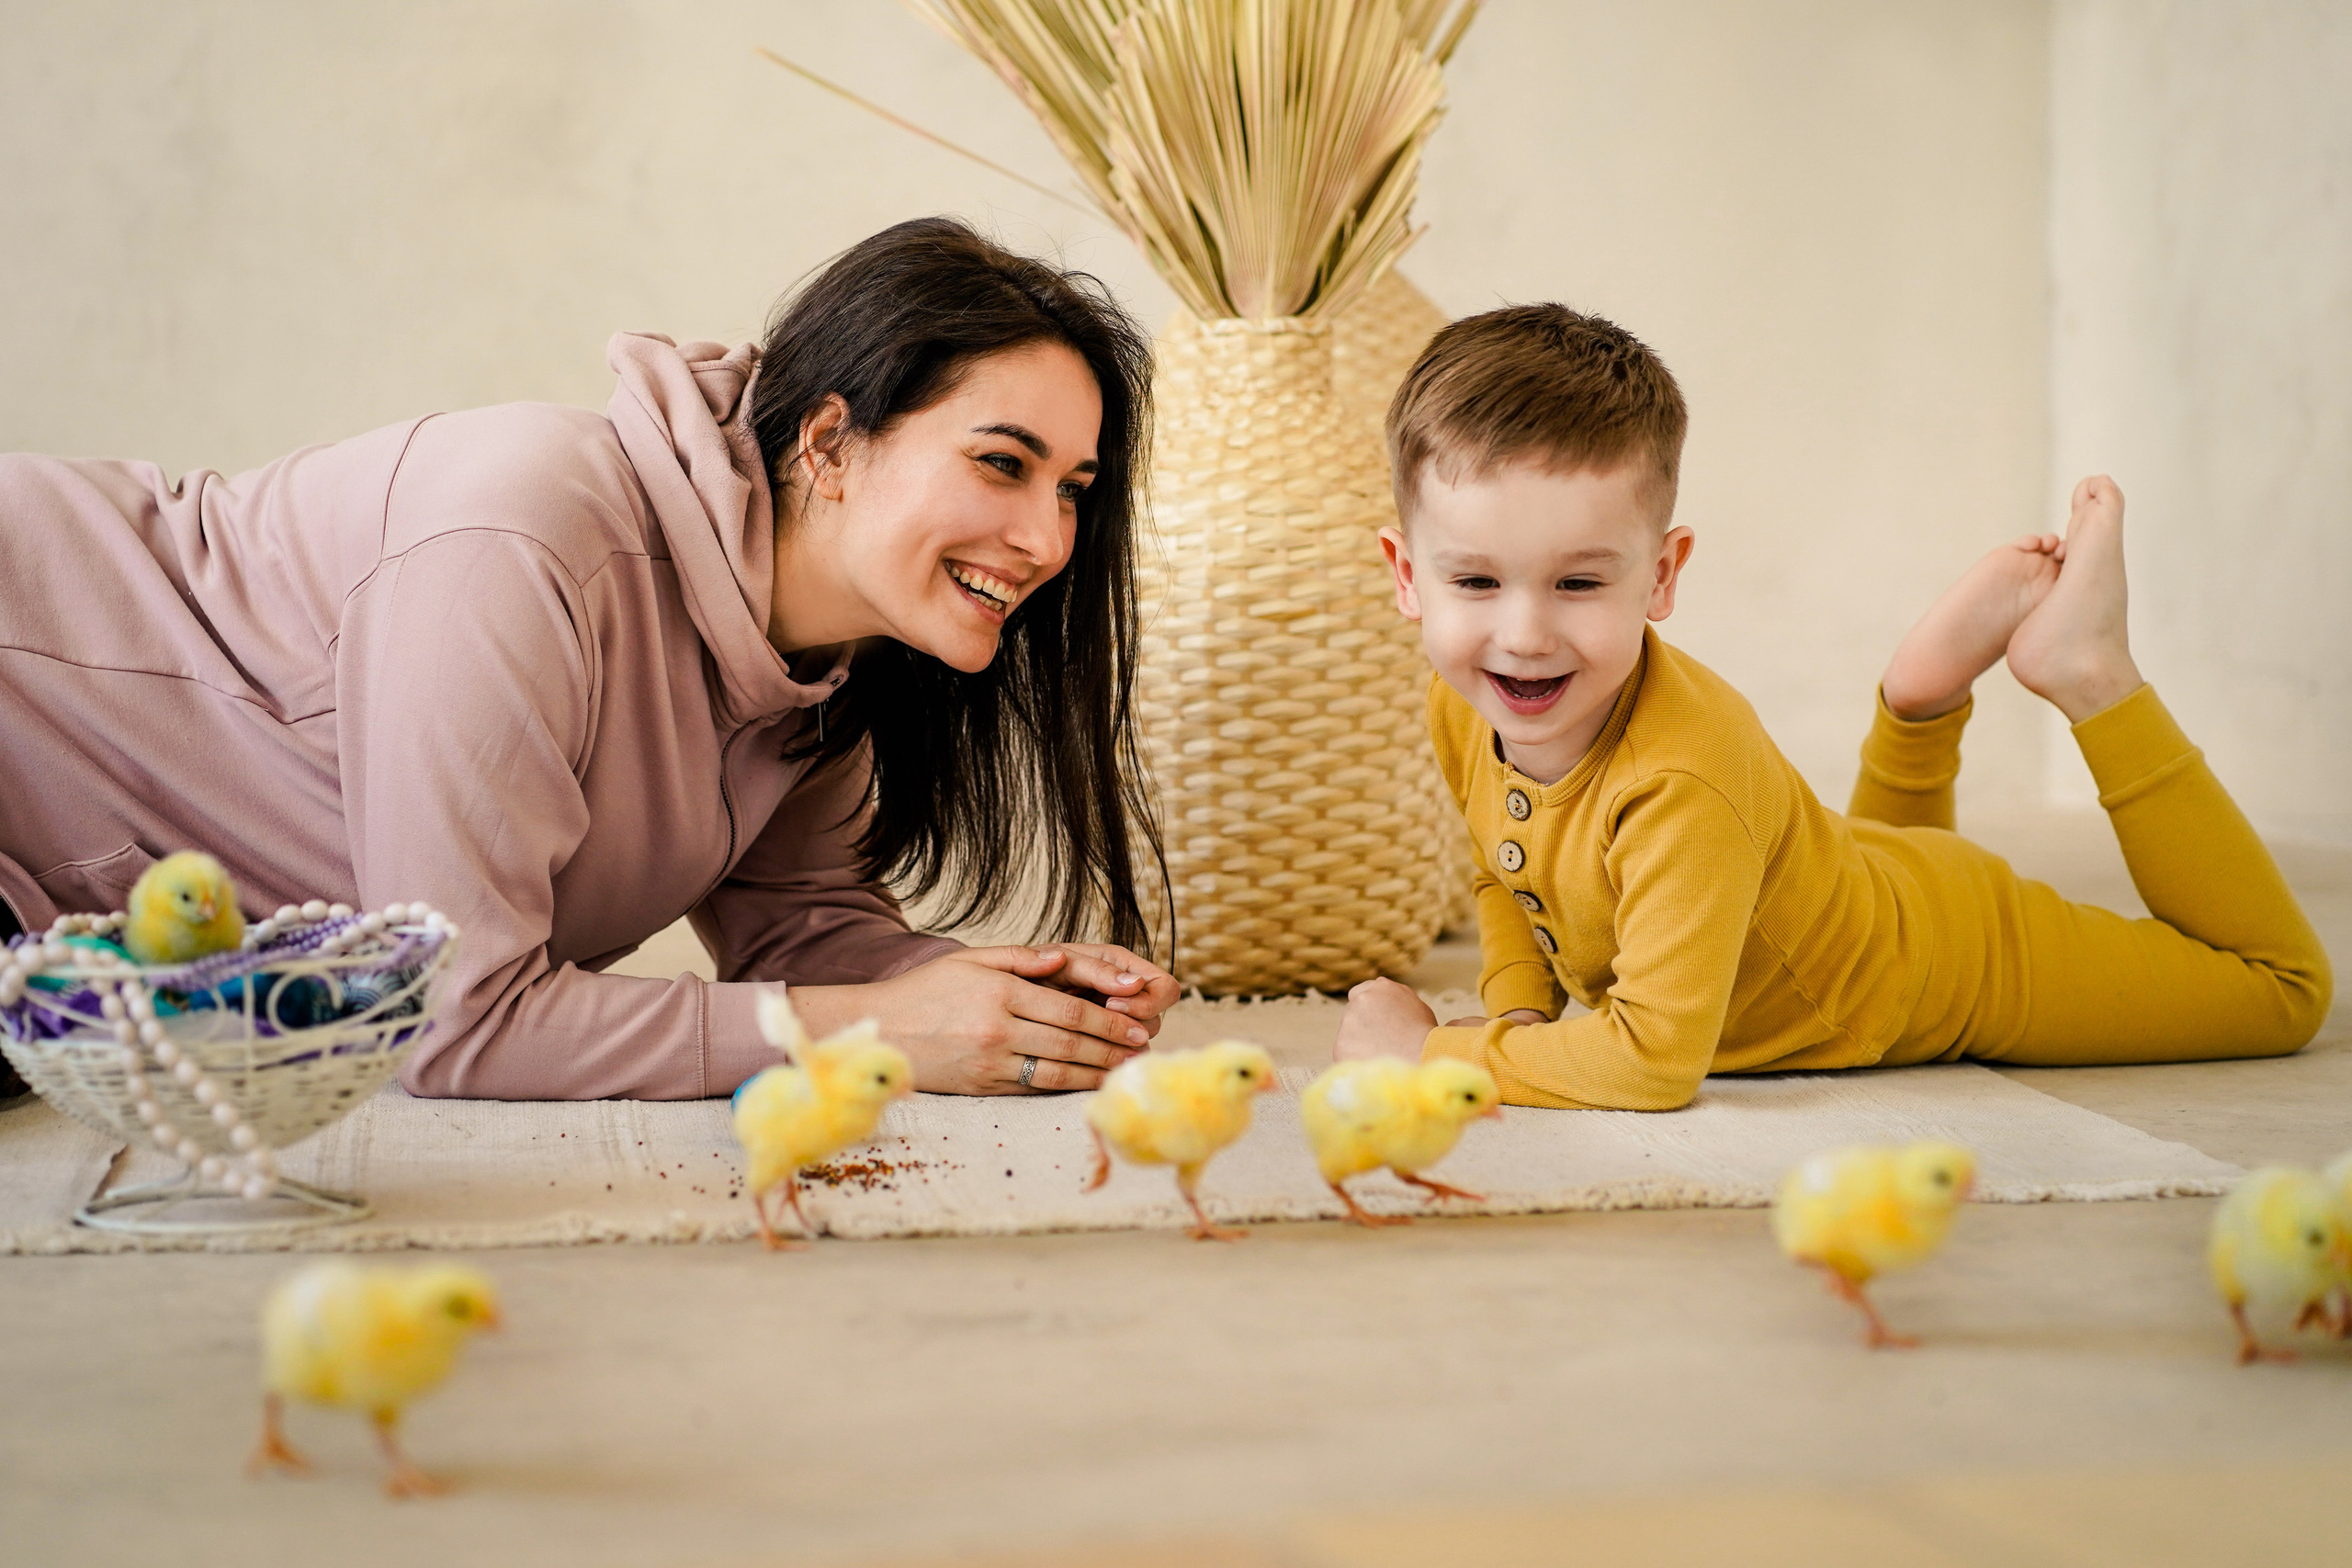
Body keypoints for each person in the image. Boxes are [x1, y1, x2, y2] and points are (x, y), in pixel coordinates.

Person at [0, 217, 1180, 1100]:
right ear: (830, 442)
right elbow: (445, 1024)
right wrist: (861, 1033)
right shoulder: (521, 545)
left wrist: (1009, 999)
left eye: (1073, 489)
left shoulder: (820, 657)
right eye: (1001, 463)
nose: (1046, 540)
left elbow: (804, 930)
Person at [1333, 304, 2331, 1108]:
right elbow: (1508, 880)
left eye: (1579, 585)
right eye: (1474, 584)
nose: (1523, 635)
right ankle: (1919, 705)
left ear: (1662, 576)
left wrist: (1440, 1057)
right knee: (1838, 905)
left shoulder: (1680, 778)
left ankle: (2085, 671)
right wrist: (1514, 1025)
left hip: (1953, 958)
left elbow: (1650, 1065)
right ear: (1407, 575)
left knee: (2277, 992)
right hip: (1844, 894)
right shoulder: (1464, 701)